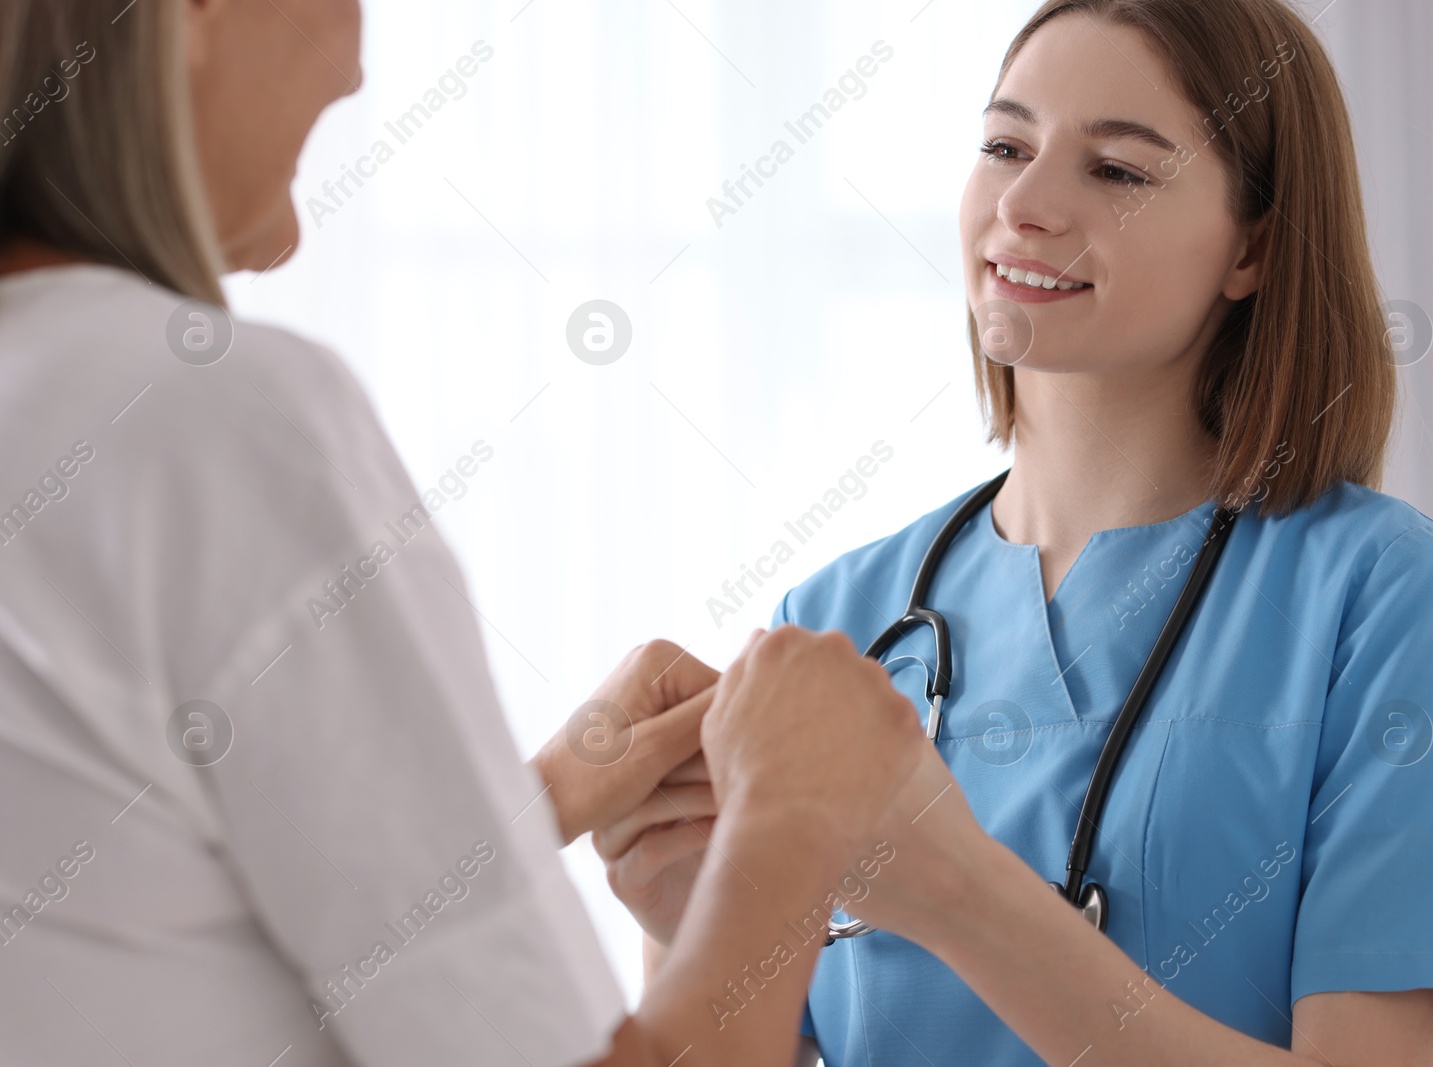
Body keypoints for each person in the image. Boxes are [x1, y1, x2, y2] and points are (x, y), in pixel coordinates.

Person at [0, 2, 925, 1065]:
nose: (356, 53)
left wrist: (533, 801)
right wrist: (796, 814)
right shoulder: (208, 414)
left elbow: (136, 908)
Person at [597, 1, 1433, 1065]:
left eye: (1117, 171)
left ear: (1253, 248)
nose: (1023, 204)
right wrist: (683, 931)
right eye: (1004, 146)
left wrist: (954, 889)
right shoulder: (833, 620)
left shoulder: (1378, 591)